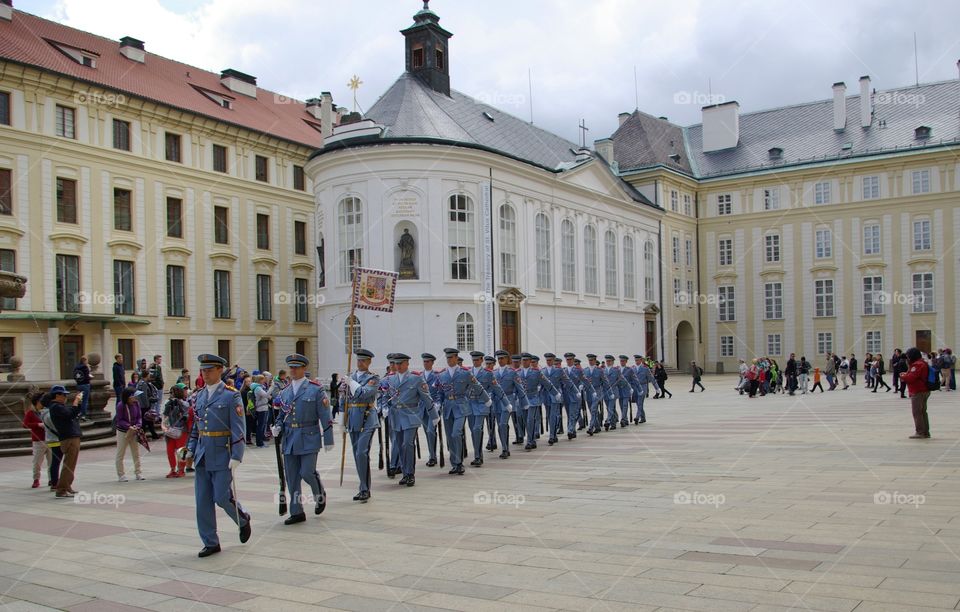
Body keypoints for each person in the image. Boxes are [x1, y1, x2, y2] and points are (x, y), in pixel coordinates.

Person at [183, 354, 251, 558]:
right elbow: (197, 427)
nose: (205, 374)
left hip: (223, 452)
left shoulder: (231, 395)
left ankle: (242, 519)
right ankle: (210, 541)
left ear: (220, 370)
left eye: (209, 370)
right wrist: (190, 448)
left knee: (221, 497)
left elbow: (238, 428)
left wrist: (237, 454)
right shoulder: (199, 395)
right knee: (203, 501)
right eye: (203, 370)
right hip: (203, 454)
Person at [272, 353, 333, 523]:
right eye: (291, 367)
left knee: (306, 472)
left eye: (296, 367)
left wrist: (328, 438)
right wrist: (277, 426)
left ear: (304, 369)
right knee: (292, 477)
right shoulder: (284, 392)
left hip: (309, 436)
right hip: (290, 437)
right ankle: (297, 511)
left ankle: (319, 493)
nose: (293, 370)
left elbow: (324, 414)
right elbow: (282, 413)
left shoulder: (315, 389)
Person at [380, 353, 433, 487]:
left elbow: (426, 397)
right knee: (399, 444)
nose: (397, 366)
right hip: (396, 416)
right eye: (396, 364)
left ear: (407, 364)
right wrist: (384, 407)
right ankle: (404, 472)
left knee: (407, 444)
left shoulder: (416, 378)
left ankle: (410, 473)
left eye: (400, 363)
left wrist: (434, 415)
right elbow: (385, 395)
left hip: (411, 415)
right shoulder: (390, 379)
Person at [438, 347, 491, 467]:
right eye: (447, 357)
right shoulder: (442, 375)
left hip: (461, 407)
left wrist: (486, 399)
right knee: (450, 437)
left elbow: (477, 386)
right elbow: (440, 393)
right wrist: (436, 405)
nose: (449, 360)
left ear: (456, 358)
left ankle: (459, 463)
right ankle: (455, 463)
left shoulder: (465, 373)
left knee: (456, 433)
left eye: (451, 357)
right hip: (447, 409)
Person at [341, 348, 380, 501]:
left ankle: (364, 488)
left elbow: (364, 394)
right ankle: (363, 487)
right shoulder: (350, 377)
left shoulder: (373, 378)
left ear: (369, 362)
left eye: (363, 360)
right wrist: (342, 422)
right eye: (358, 360)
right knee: (357, 454)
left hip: (367, 418)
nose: (360, 363)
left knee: (361, 452)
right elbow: (343, 400)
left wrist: (351, 383)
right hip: (352, 418)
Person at [49, 385, 82, 498]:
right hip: (69, 438)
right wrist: (76, 402)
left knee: (71, 464)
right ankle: (62, 489)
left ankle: (67, 486)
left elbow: (74, 413)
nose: (65, 397)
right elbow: (70, 414)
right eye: (64, 395)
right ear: (57, 395)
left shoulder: (59, 406)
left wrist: (78, 404)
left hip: (72, 436)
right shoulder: (56, 407)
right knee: (68, 464)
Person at [115, 387, 145, 482]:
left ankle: (138, 472)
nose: (136, 398)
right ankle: (121, 474)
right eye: (134, 396)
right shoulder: (121, 405)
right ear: (128, 397)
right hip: (123, 432)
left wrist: (138, 425)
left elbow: (139, 417)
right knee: (121, 453)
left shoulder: (136, 404)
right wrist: (128, 426)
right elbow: (119, 420)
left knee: (136, 453)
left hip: (134, 430)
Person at [900, 347, 931, 439]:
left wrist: (903, 376)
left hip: (918, 391)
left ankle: (920, 432)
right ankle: (926, 431)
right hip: (924, 390)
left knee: (917, 412)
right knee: (923, 412)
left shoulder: (917, 365)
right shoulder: (922, 363)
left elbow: (911, 378)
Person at [163, 385, 191, 478]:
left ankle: (181, 469)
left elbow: (186, 416)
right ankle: (173, 469)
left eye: (173, 392)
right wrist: (164, 426)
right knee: (170, 450)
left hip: (181, 430)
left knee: (181, 450)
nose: (171, 395)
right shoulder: (169, 403)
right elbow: (165, 416)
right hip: (171, 429)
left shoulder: (185, 404)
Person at [22, 393, 50, 488]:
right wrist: (38, 425)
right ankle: (36, 479)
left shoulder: (47, 410)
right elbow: (25, 424)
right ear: (37, 401)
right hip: (38, 440)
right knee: (37, 461)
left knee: (52, 461)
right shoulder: (31, 412)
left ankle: (52, 479)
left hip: (50, 439)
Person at [420, 353, 442, 465]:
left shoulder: (437, 376)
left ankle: (433, 457)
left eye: (428, 361)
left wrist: (438, 403)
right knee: (427, 432)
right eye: (424, 361)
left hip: (433, 408)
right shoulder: (419, 376)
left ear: (432, 363)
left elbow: (439, 391)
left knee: (430, 431)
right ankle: (431, 454)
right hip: (422, 409)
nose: (426, 363)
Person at [38, 392, 62, 490]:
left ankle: (54, 481)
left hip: (52, 438)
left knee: (54, 462)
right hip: (55, 439)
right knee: (55, 462)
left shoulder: (44, 412)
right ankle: (55, 482)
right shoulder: (49, 413)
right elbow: (55, 426)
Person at [136, 371, 162, 439]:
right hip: (145, 405)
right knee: (146, 421)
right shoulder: (144, 384)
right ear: (146, 375)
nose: (150, 376)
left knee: (148, 420)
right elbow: (144, 395)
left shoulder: (139, 382)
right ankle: (143, 436)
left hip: (141, 405)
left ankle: (153, 434)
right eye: (149, 375)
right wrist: (147, 405)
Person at [252, 375, 270, 447]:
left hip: (263, 407)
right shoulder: (258, 388)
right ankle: (259, 443)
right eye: (263, 379)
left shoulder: (259, 387)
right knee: (260, 426)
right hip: (261, 408)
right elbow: (266, 395)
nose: (264, 381)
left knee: (262, 425)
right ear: (260, 380)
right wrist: (271, 388)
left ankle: (261, 442)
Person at [72, 355, 92, 421]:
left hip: (79, 385)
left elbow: (74, 376)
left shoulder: (76, 367)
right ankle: (83, 415)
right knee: (85, 401)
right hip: (85, 385)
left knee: (78, 400)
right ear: (84, 361)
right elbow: (87, 377)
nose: (87, 362)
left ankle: (77, 413)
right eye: (87, 361)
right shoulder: (85, 368)